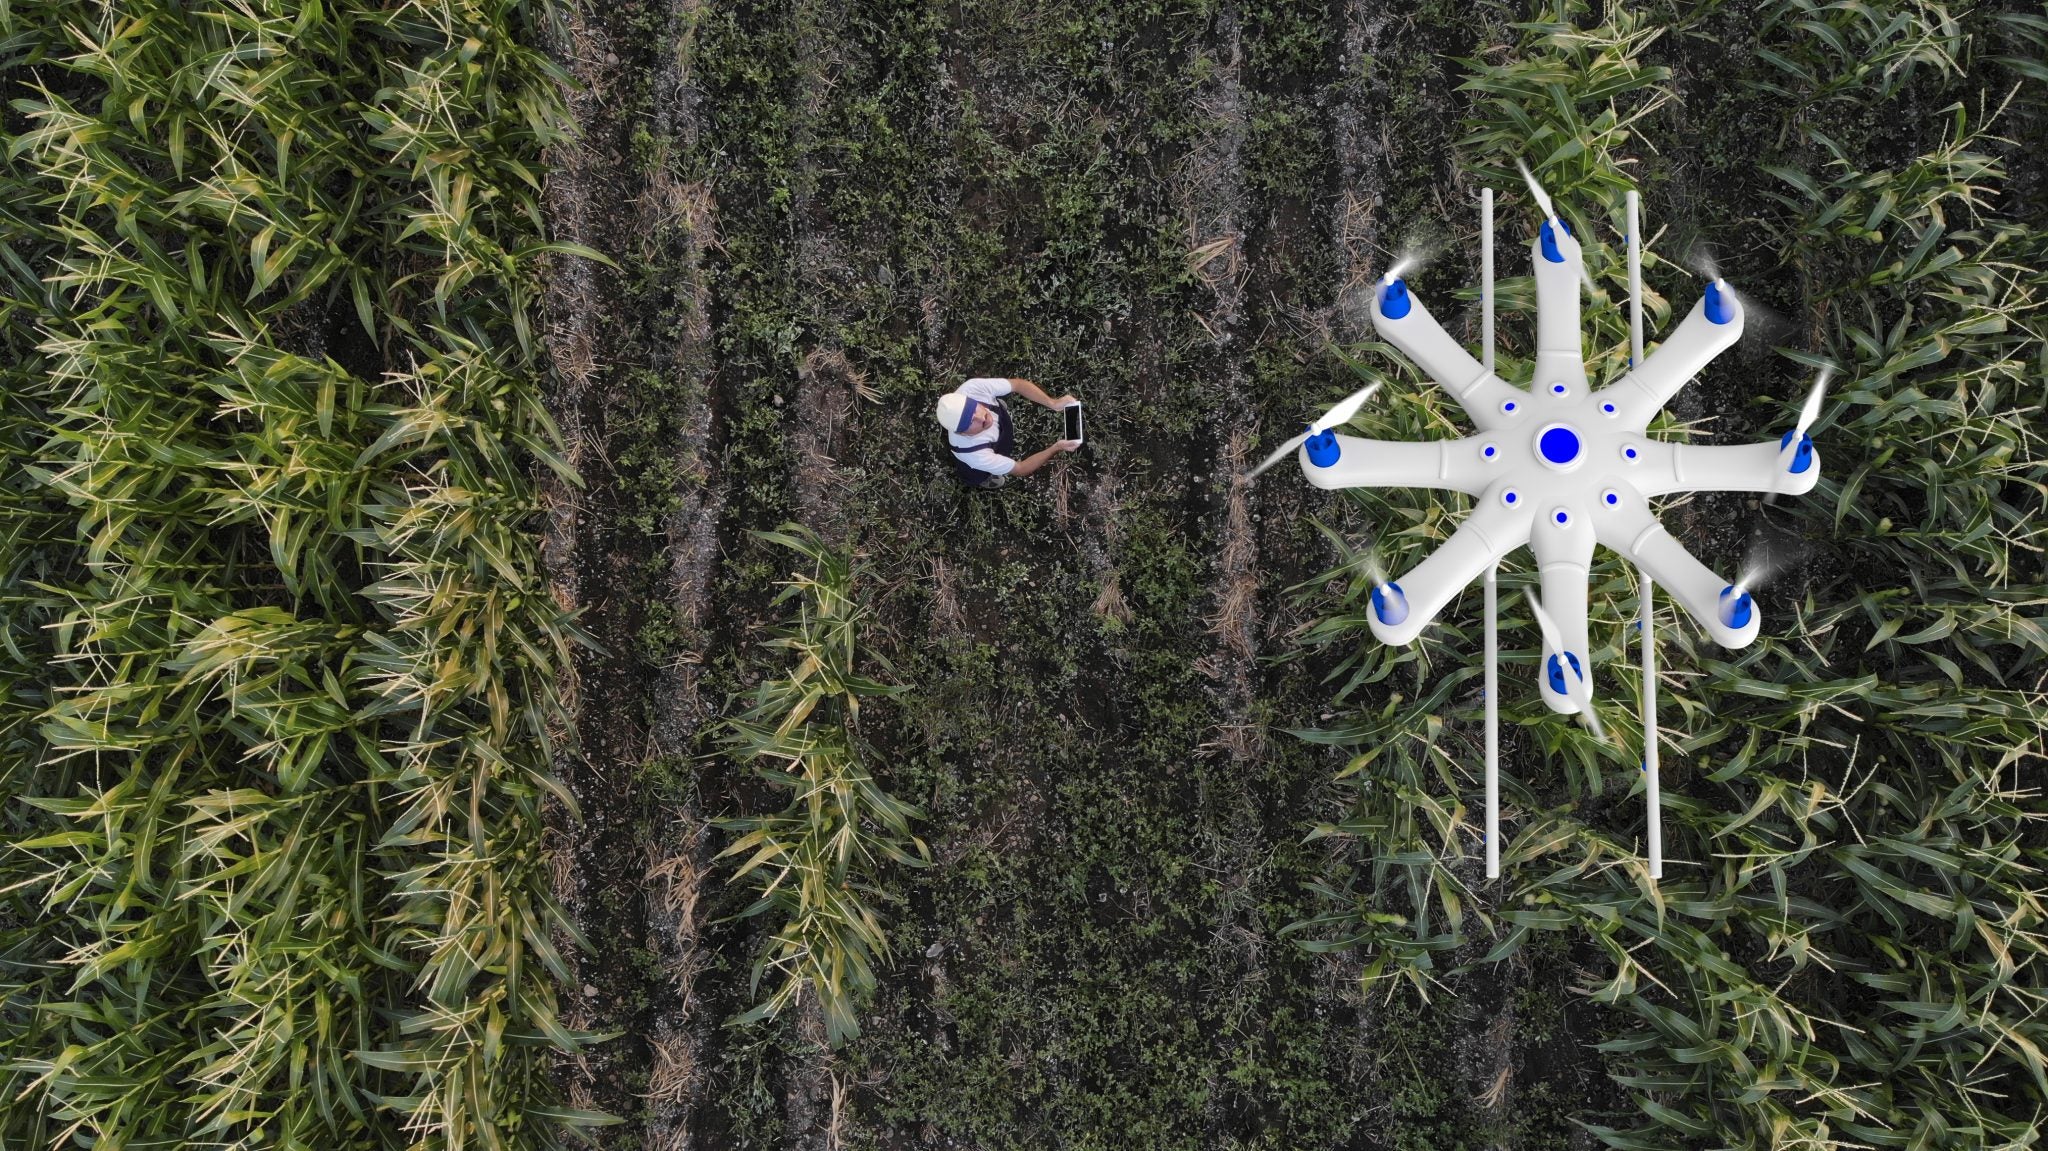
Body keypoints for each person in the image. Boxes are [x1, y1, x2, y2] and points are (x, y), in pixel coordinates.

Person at [934, 376, 1081, 488]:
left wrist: (1053, 403)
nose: (981, 417)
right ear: (963, 434)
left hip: (994, 434)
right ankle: (986, 479)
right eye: (970, 422)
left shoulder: (972, 388)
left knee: (997, 413)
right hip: (982, 457)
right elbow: (1020, 468)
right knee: (976, 475)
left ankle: (997, 408)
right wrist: (1056, 447)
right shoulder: (974, 455)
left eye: (974, 409)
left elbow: (1017, 384)